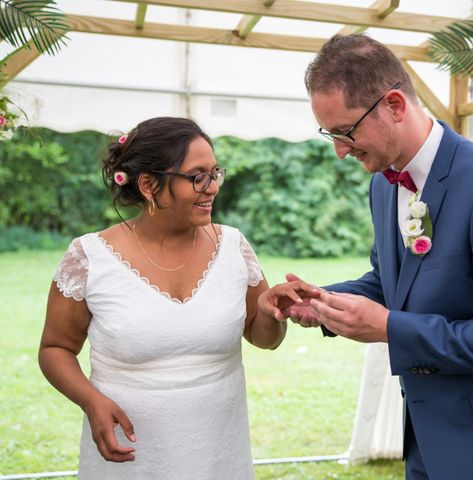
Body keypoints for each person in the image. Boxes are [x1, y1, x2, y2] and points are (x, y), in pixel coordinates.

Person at [271, 34, 473, 480]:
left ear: (394, 104)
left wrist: (390, 328)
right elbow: (391, 282)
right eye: (329, 134)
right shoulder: (383, 184)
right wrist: (320, 301)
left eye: (345, 132)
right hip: (430, 441)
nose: (339, 150)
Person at [38, 117, 316, 479]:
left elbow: (265, 339)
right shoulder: (89, 257)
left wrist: (270, 312)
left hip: (218, 451)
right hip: (130, 454)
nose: (212, 187)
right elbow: (54, 349)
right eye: (197, 176)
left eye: (215, 172)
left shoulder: (234, 247)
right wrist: (92, 402)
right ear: (150, 185)